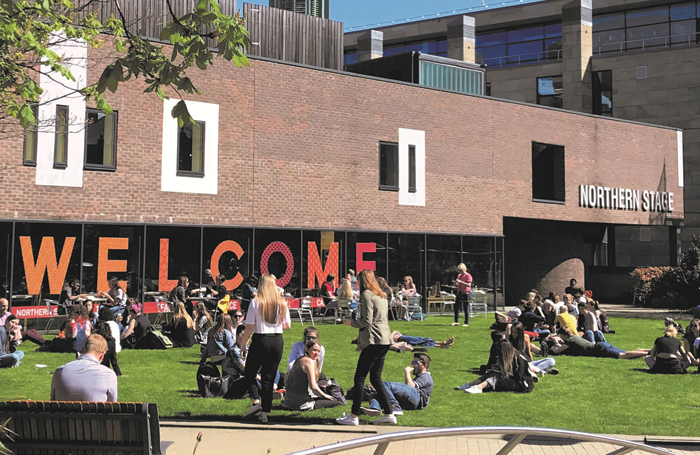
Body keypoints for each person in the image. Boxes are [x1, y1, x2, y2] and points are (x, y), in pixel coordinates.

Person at [337, 269, 395, 426]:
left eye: (358, 280)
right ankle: (389, 413)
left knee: (360, 378)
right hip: (385, 339)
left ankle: (354, 416)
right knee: (376, 378)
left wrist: (350, 323)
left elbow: (366, 321)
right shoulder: (381, 295)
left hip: (374, 340)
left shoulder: (367, 294)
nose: (357, 283)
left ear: (364, 280)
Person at [238, 274, 291, 424]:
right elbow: (287, 326)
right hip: (277, 340)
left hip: (261, 339)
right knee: (269, 377)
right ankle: (265, 412)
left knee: (249, 372)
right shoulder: (281, 302)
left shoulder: (256, 302)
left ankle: (255, 401)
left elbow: (249, 326)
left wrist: (243, 344)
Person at [361, 352, 434, 416]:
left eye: (416, 363)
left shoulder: (426, 376)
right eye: (412, 362)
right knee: (378, 394)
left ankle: (395, 407)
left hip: (417, 399)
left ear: (425, 365)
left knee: (384, 385)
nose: (413, 365)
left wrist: (407, 372)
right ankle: (375, 408)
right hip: (410, 403)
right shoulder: (420, 377)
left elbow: (410, 386)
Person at [50, 334, 118, 401]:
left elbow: (52, 401)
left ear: (83, 350)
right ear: (102, 355)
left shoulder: (60, 371)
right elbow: (112, 405)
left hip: (63, 411)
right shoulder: (108, 375)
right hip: (94, 411)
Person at [283, 339, 340, 411]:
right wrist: (324, 395)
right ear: (307, 349)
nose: (317, 353)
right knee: (335, 400)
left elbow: (286, 380)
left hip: (288, 402)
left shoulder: (299, 359)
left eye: (319, 351)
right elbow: (313, 386)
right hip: (301, 404)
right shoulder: (309, 362)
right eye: (314, 350)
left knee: (321, 376)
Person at [463, 340, 534, 394]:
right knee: (491, 373)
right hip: (514, 380)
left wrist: (502, 373)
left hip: (522, 385)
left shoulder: (517, 359)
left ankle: (479, 387)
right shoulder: (512, 355)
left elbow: (519, 376)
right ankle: (471, 384)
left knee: (497, 376)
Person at [552, 327, 649, 359]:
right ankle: (651, 350)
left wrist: (555, 341)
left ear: (563, 335)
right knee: (628, 352)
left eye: (560, 335)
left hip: (600, 350)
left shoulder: (569, 341)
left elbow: (556, 351)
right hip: (602, 345)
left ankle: (649, 353)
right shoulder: (574, 337)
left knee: (624, 355)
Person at [389, 331, 454, 351]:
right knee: (419, 342)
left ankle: (440, 345)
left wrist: (393, 334)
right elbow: (391, 340)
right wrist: (392, 335)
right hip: (401, 339)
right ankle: (441, 344)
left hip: (403, 337)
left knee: (420, 340)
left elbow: (396, 331)